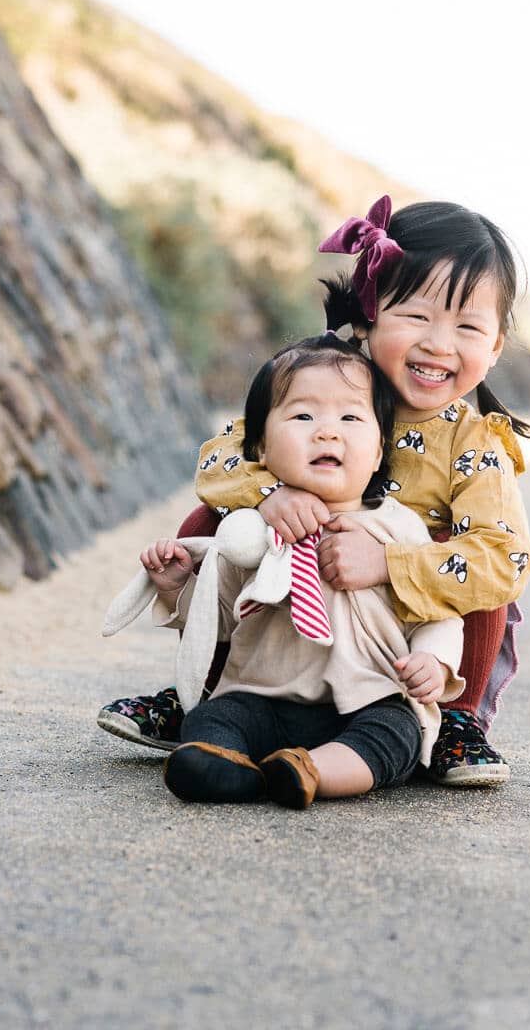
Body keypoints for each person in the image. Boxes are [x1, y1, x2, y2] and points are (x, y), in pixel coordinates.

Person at [98, 195, 530, 785]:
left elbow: (506, 558)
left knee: (477, 574)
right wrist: (269, 496)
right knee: (214, 523)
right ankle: (209, 689)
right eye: (417, 316)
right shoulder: (321, 379)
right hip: (296, 582)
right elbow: (221, 457)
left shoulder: (474, 443)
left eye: (468, 327)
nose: (440, 344)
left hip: (396, 624)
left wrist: (388, 562)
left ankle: (455, 719)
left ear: (495, 346)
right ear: (368, 315)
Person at [117, 335, 465, 808]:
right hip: (260, 698)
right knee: (211, 719)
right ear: (260, 447)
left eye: (350, 418)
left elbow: (436, 608)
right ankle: (229, 769)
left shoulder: (397, 527)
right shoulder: (250, 528)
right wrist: (177, 586)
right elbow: (220, 615)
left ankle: (310, 771)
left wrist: (433, 660)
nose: (327, 433)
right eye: (303, 417)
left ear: (379, 451)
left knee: (395, 734)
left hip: (367, 698)